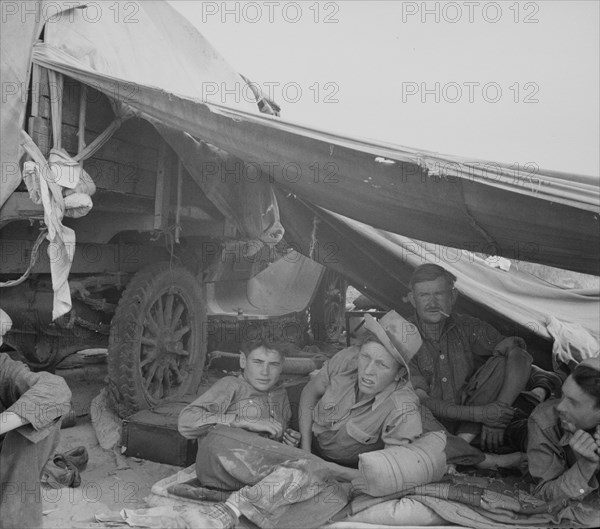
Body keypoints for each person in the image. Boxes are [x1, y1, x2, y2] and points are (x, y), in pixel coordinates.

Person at [177, 314, 433, 529]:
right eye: (366, 357)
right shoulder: (231, 384)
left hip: (265, 470)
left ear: (399, 374)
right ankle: (245, 503)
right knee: (221, 438)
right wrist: (245, 422)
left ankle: (232, 513)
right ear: (243, 361)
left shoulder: (403, 406)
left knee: (330, 497)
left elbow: (387, 475)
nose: (367, 370)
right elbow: (187, 423)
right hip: (224, 460)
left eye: (382, 365)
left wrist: (286, 440)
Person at [407, 263, 561, 467]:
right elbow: (424, 401)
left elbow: (520, 356)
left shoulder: (468, 327)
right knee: (410, 410)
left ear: (453, 297)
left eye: (439, 294)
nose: (432, 303)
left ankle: (462, 445)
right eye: (424, 295)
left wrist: (499, 412)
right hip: (431, 426)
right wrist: (484, 414)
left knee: (504, 360)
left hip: (474, 426)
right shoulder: (404, 335)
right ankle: (480, 458)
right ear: (412, 299)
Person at [1, 310, 72, 529]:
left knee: (41, 421)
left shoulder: (2, 366)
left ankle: (15, 522)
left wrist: (5, 421)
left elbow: (55, 390)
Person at [527, 356, 600, 513]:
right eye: (563, 394)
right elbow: (543, 496)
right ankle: (544, 382)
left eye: (573, 402)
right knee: (515, 424)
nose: (560, 406)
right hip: (530, 433)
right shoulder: (543, 419)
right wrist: (585, 466)